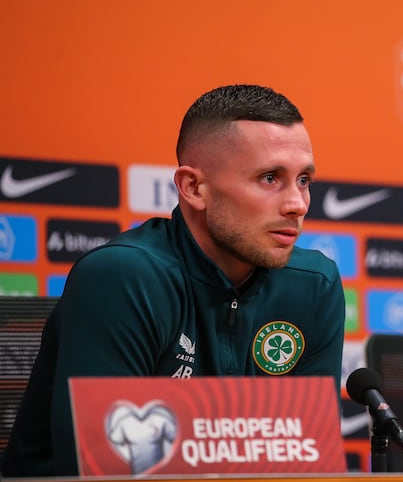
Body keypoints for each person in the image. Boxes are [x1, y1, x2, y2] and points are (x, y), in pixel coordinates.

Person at [2, 84, 346, 477]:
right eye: (270, 178)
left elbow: (303, 464)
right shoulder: (122, 278)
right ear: (193, 187)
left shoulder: (313, 285)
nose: (297, 204)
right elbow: (105, 468)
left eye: (304, 180)